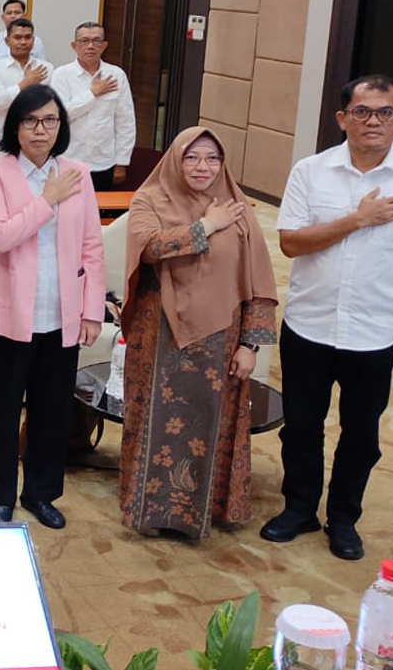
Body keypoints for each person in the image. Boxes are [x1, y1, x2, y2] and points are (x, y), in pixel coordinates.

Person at [262, 75, 393, 560]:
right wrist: (357, 219)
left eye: (385, 112)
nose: (374, 121)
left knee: (362, 436)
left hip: (373, 333)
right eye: (362, 111)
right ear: (342, 118)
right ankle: (299, 508)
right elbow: (291, 243)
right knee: (301, 427)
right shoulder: (311, 171)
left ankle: (344, 519)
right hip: (308, 324)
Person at [119, 126, 278, 539]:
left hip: (220, 343)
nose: (202, 166)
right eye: (191, 157)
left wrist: (250, 345)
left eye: (212, 158)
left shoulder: (238, 210)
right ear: (175, 159)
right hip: (159, 337)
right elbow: (149, 248)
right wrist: (205, 226)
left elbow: (259, 282)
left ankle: (200, 514)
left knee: (211, 425)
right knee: (154, 423)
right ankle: (151, 513)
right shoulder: (149, 199)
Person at [0, 85, 105, 530]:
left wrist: (92, 311)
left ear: (60, 126)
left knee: (52, 412)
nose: (40, 130)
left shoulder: (77, 173)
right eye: (30, 120)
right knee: (4, 411)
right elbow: (1, 236)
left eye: (50, 120)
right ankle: (1, 496)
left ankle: (41, 494)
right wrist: (47, 200)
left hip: (60, 315)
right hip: (7, 317)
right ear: (15, 126)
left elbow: (92, 246)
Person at [53, 21, 135, 191]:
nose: (90, 46)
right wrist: (92, 93)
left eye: (96, 41)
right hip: (69, 159)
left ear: (104, 46)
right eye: (84, 41)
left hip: (104, 162)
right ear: (74, 46)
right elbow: (60, 115)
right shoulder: (62, 75)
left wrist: (122, 162)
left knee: (100, 206)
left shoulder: (116, 75)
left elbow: (125, 122)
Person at [0, 17, 52, 157]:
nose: (23, 42)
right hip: (3, 146)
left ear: (34, 40)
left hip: (37, 147)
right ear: (7, 41)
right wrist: (26, 83)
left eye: (28, 37)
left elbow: (48, 105)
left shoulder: (46, 68)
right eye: (18, 37)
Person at [0, 0, 49, 68]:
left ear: (24, 16)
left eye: (17, 12)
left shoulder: (36, 41)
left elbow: (41, 67)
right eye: (9, 13)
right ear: (3, 17)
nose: (13, 16)